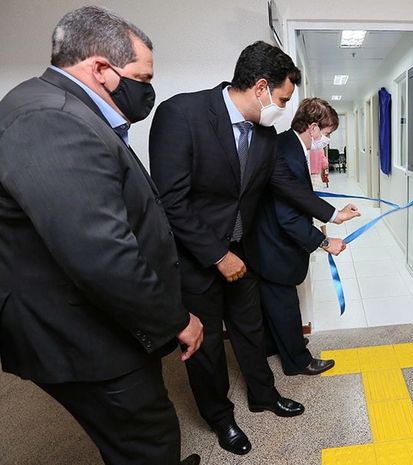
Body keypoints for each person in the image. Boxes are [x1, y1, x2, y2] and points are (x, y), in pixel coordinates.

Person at [0, 6, 203, 465]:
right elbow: (102, 255)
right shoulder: (51, 119)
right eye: (142, 77)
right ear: (100, 69)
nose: (147, 89)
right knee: (147, 438)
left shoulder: (61, 107)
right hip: (82, 333)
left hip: (98, 320)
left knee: (141, 429)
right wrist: (176, 319)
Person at [148, 41, 359, 456]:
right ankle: (221, 418)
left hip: (243, 253)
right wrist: (217, 255)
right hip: (197, 258)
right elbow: (172, 202)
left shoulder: (264, 135)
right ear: (261, 87)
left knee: (250, 329)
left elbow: (284, 185)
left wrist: (332, 214)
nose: (284, 108)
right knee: (208, 344)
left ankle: (264, 395)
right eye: (282, 99)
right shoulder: (182, 115)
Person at [251, 97, 344, 376]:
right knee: (284, 304)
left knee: (273, 302)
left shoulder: (285, 144)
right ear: (313, 128)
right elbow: (289, 217)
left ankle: (278, 343)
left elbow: (298, 196)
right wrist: (325, 242)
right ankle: (297, 361)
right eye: (326, 133)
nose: (326, 140)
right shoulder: (290, 155)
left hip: (264, 239)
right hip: (273, 244)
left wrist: (334, 214)